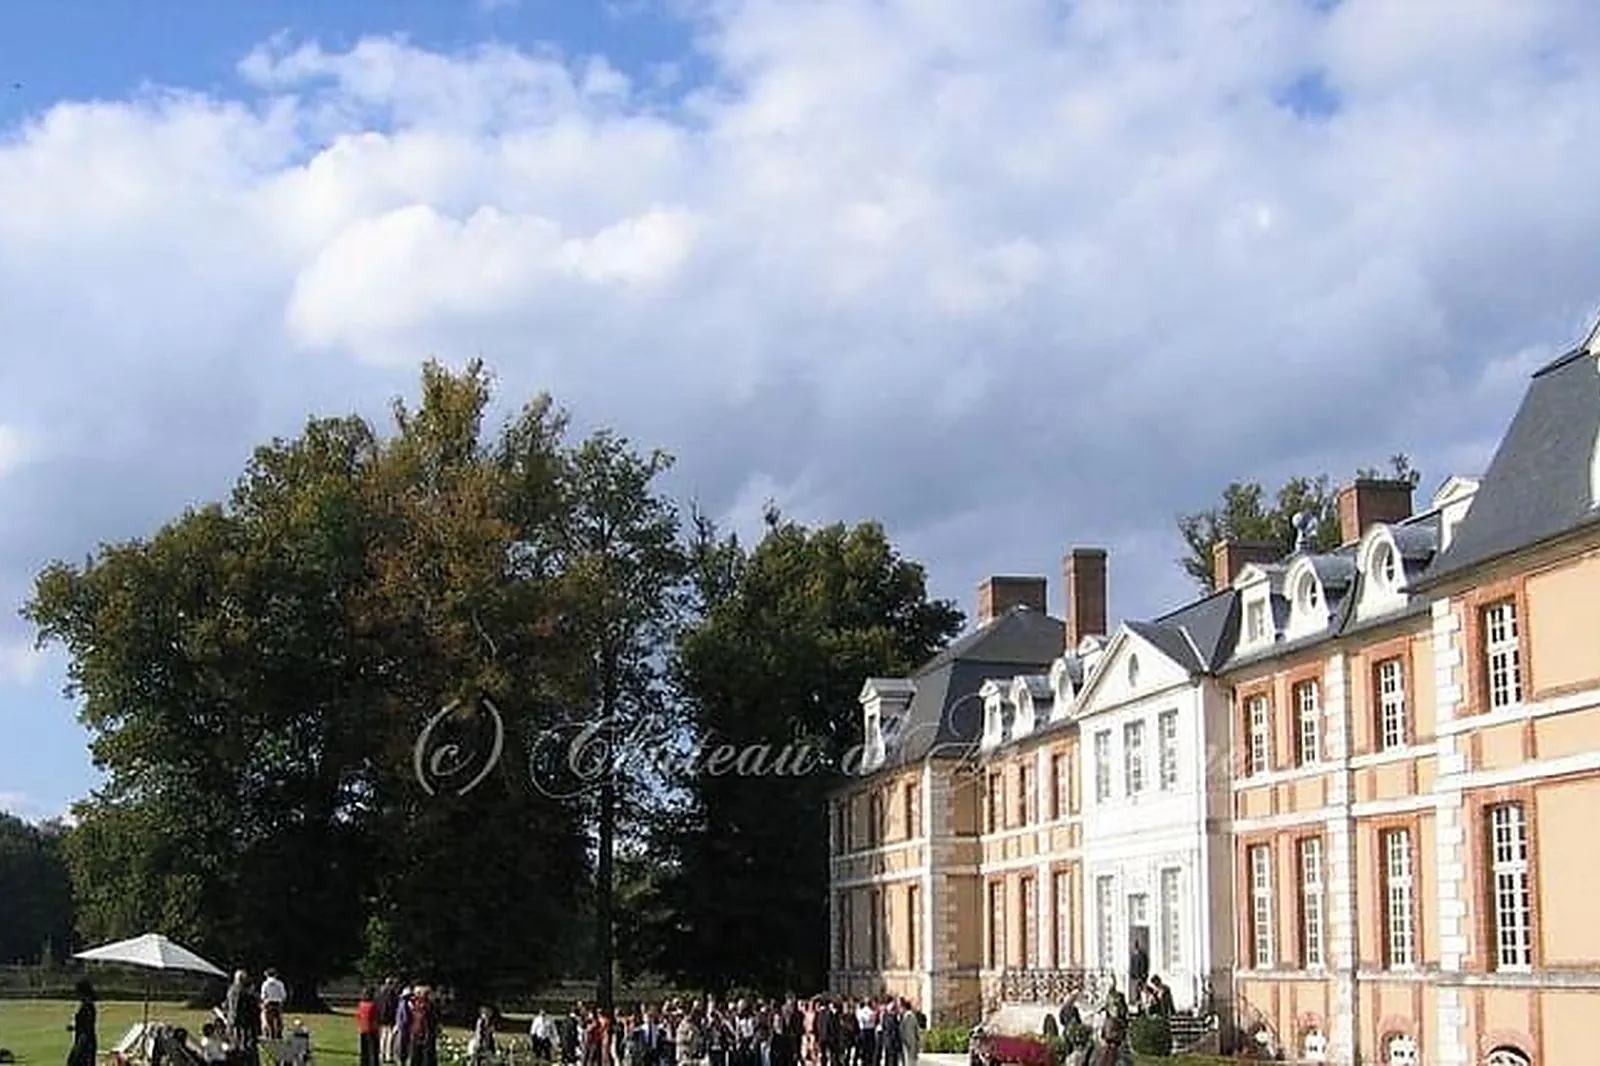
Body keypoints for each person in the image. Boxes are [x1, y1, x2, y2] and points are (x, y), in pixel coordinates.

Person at [66, 980, 96, 1066]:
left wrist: (79, 1047)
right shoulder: (86, 1005)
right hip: (84, 1040)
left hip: (85, 1042)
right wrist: (74, 1027)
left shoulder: (87, 1007)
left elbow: (87, 1028)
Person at [260, 970, 288, 1041]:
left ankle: (269, 1035)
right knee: (278, 1020)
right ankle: (278, 1035)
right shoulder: (280, 983)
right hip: (277, 1003)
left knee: (268, 1021)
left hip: (268, 1003)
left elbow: (263, 995)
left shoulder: (265, 984)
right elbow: (283, 994)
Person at [357, 987, 381, 1066]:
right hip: (371, 1030)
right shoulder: (373, 1005)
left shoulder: (361, 1004)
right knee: (373, 1050)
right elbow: (375, 1018)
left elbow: (358, 1016)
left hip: (363, 1029)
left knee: (364, 1050)